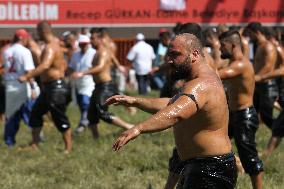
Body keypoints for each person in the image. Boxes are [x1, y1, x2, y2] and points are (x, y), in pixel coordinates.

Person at [107, 33, 237, 189]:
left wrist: (138, 128)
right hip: (200, 166)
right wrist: (135, 101)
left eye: (176, 55)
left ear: (194, 54)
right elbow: (173, 104)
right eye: (169, 54)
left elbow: (176, 112)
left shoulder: (202, 83)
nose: (170, 60)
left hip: (210, 169)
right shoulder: (196, 82)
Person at [218, 30, 264, 189]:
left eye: (222, 45)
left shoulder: (241, 64)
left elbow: (218, 74)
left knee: (250, 158)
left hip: (245, 116)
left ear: (233, 45)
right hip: (233, 115)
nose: (220, 49)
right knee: (217, 146)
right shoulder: (233, 62)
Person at [19, 21, 72, 153]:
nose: (36, 34)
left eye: (37, 31)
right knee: (35, 114)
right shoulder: (53, 45)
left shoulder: (50, 47)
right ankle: (35, 144)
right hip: (49, 88)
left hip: (56, 88)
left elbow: (45, 66)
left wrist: (27, 76)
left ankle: (68, 148)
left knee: (59, 118)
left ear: (43, 31)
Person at [72, 30, 133, 139]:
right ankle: (96, 139)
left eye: (93, 38)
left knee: (102, 112)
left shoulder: (103, 51)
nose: (91, 41)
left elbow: (100, 67)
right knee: (91, 115)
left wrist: (82, 73)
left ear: (99, 39)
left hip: (106, 86)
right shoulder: (97, 52)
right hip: (98, 86)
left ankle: (129, 127)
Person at [2, 29, 37, 147]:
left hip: (10, 86)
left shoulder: (7, 51)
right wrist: (33, 88)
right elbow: (29, 71)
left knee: (11, 115)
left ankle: (9, 142)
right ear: (22, 38)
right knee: (30, 114)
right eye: (26, 38)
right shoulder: (25, 51)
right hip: (22, 86)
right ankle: (36, 139)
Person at [255, 28, 284, 158]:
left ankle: (266, 156)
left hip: (273, 84)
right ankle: (266, 156)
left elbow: (282, 69)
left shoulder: (277, 49)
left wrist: (262, 77)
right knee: (278, 126)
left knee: (277, 125)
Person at [244, 22, 278, 130]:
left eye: (250, 34)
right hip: (259, 85)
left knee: (266, 116)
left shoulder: (268, 46)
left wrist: (255, 78)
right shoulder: (259, 46)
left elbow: (268, 66)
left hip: (267, 86)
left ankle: (278, 132)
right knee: (253, 113)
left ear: (257, 32)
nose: (249, 37)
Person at [69, 34, 96, 133]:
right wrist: (71, 73)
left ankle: (83, 122)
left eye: (86, 44)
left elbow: (96, 67)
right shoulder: (76, 55)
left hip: (89, 81)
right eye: (82, 44)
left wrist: (82, 73)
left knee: (85, 102)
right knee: (81, 104)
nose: (84, 46)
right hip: (78, 83)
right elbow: (71, 67)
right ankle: (86, 120)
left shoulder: (93, 53)